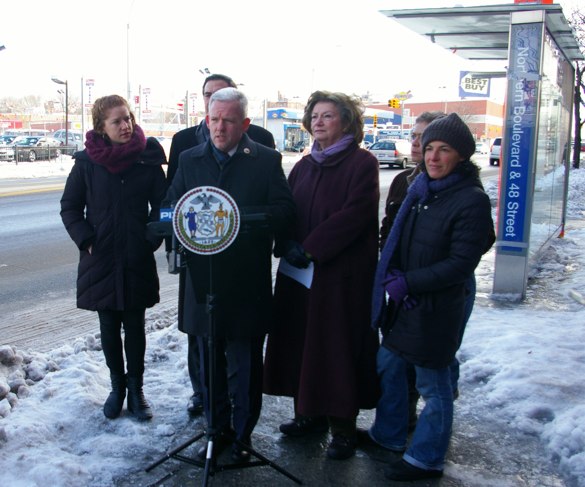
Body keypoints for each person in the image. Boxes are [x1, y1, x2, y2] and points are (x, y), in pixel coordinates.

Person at [165, 87, 295, 462]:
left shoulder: (266, 160)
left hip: (246, 280)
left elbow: (285, 209)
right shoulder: (189, 159)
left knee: (246, 363)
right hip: (203, 281)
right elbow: (170, 205)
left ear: (245, 124)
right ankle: (215, 431)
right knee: (209, 362)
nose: (219, 128)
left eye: (228, 121)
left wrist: (243, 218)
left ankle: (242, 437)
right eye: (213, 120)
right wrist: (168, 221)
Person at [368, 113, 495, 481]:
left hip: (438, 306)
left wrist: (407, 281)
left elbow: (460, 264)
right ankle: (388, 435)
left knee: (433, 384)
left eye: (445, 150)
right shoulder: (420, 190)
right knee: (389, 364)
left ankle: (426, 458)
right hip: (407, 301)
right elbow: (399, 237)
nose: (433, 157)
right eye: (429, 149)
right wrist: (392, 271)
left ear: (462, 156)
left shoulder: (469, 200)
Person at [263, 90, 381, 460]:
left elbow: (355, 214)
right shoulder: (304, 165)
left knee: (335, 348)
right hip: (300, 274)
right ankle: (307, 415)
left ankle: (342, 427)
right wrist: (286, 241)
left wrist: (311, 246)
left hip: (339, 277)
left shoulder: (362, 163)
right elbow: (286, 209)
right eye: (314, 115)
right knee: (301, 342)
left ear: (346, 121)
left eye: (328, 116)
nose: (318, 121)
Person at [60, 95, 167, 421]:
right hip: (101, 258)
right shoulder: (87, 164)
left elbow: (164, 207)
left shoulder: (147, 160)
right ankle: (116, 388)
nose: (126, 125)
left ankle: (136, 391)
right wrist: (86, 240)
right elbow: (70, 208)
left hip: (135, 257)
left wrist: (149, 239)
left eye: (128, 118)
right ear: (101, 128)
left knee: (135, 325)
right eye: (117, 121)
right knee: (108, 326)